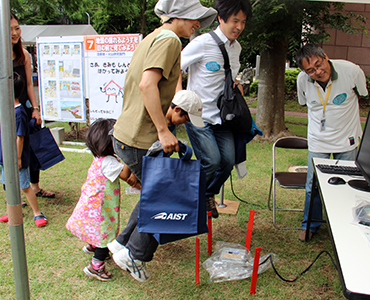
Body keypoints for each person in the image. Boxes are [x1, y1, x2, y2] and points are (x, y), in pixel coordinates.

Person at [108, 0, 216, 282]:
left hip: (128, 133)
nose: (198, 25)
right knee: (164, 196)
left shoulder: (153, 38)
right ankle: (134, 254)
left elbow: (155, 85)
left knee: (150, 194)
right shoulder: (169, 41)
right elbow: (146, 85)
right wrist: (163, 130)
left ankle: (121, 244)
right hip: (139, 137)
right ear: (181, 15)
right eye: (196, 19)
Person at [178, 0, 253, 218]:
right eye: (234, 20)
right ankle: (192, 198)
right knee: (211, 160)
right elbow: (176, 66)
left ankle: (206, 194)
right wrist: (179, 97)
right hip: (198, 115)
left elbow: (228, 78)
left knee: (228, 161)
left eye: (243, 22)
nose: (238, 27)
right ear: (221, 18)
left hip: (222, 117)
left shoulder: (236, 48)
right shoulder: (202, 43)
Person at [295, 43, 368, 241]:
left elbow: (363, 94)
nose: (318, 71)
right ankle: (310, 225)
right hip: (318, 141)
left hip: (347, 139)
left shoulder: (351, 71)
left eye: (319, 64)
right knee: (313, 185)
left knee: (348, 184)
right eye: (311, 70)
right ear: (305, 72)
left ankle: (345, 225)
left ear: (326, 57)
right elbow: (303, 103)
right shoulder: (302, 80)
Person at [66, 118, 140, 281]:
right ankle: (96, 266)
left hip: (93, 204)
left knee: (97, 230)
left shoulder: (100, 159)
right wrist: (128, 153)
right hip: (101, 208)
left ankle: (93, 246)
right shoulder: (109, 162)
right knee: (105, 234)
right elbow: (125, 175)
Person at [11, 13, 55, 199]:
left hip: (25, 108)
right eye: (10, 29)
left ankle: (35, 187)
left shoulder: (24, 55)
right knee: (10, 149)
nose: (15, 33)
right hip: (7, 110)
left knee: (32, 147)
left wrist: (35, 109)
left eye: (17, 28)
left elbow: (30, 84)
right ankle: (14, 191)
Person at [0, 72, 48, 227]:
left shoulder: (18, 112)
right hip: (4, 157)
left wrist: (18, 158)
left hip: (16, 158)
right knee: (8, 185)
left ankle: (37, 213)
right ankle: (12, 211)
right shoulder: (6, 109)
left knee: (25, 186)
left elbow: (19, 137)